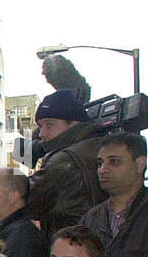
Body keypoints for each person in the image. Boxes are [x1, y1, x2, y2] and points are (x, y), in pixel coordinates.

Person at [26, 89, 105, 239]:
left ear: (74, 123)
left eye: (50, 125)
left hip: (72, 247)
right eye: (41, 126)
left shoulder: (63, 160)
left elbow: (22, 202)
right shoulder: (99, 145)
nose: (42, 133)